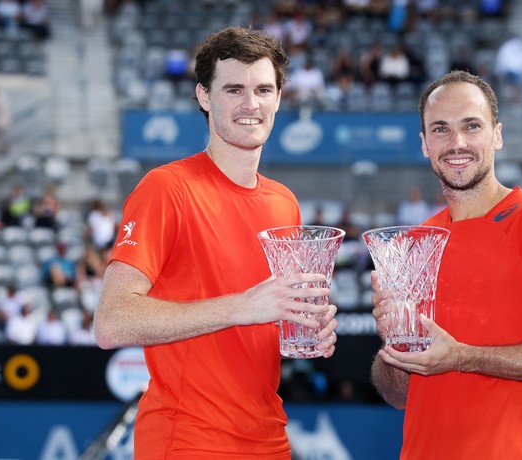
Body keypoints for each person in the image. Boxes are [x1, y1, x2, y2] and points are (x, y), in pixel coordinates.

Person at [93, 27, 339, 459]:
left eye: (264, 89)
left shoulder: (286, 204)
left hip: (270, 440)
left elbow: (263, 321)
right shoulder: (166, 188)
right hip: (186, 441)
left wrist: (303, 327)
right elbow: (111, 322)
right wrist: (244, 305)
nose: (251, 104)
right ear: (204, 97)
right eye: (234, 89)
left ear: (280, 98)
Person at [369, 70, 522, 459]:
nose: (456, 142)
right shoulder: (414, 243)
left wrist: (463, 356)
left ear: (497, 134)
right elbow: (399, 396)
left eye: (471, 126)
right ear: (425, 144)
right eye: (440, 130)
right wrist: (394, 345)